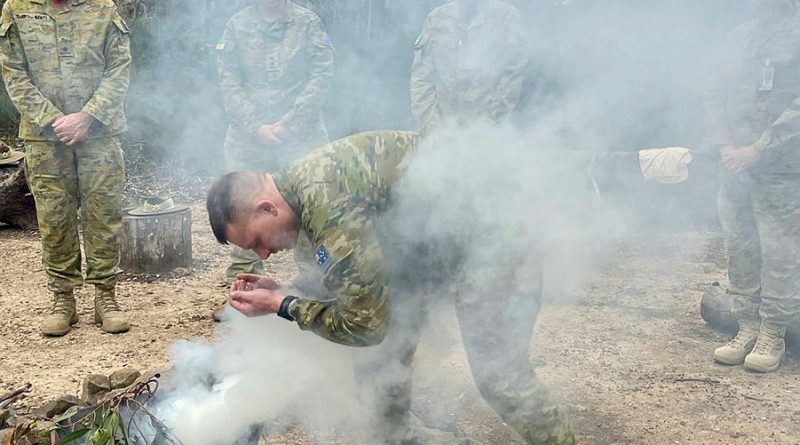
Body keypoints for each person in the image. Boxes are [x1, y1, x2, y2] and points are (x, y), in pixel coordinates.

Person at [206, 131, 576, 445]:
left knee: (500, 378)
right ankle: (394, 439)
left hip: (499, 240)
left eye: (256, 241)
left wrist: (282, 304)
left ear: (266, 208)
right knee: (384, 354)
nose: (263, 254)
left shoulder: (327, 204)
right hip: (443, 246)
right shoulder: (301, 191)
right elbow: (351, 275)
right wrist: (288, 288)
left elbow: (365, 323)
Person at [0, 0, 131, 336]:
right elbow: (13, 71)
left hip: (99, 133)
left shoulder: (103, 8)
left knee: (103, 213)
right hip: (44, 137)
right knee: (54, 218)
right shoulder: (17, 7)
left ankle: (106, 296)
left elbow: (119, 67)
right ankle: (63, 299)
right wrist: (52, 119)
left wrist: (88, 116)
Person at [706, 0, 800, 372]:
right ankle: (746, 327)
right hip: (734, 165)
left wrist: (758, 150)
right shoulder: (739, 37)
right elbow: (712, 93)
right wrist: (727, 146)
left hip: (781, 167)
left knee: (778, 252)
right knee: (740, 247)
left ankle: (772, 334)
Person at [216, 0, 334, 284]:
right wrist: (256, 126)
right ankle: (244, 288)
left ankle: (316, 288)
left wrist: (291, 123)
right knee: (242, 211)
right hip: (249, 139)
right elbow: (228, 82)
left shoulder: (308, 23)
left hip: (301, 136)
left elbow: (321, 75)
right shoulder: (236, 26)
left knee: (312, 211)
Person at [410, 0, 527, 135]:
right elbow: (422, 79)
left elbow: (512, 76)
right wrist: (433, 128)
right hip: (441, 132)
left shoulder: (505, 17)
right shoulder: (437, 19)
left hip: (489, 133)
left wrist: (487, 126)